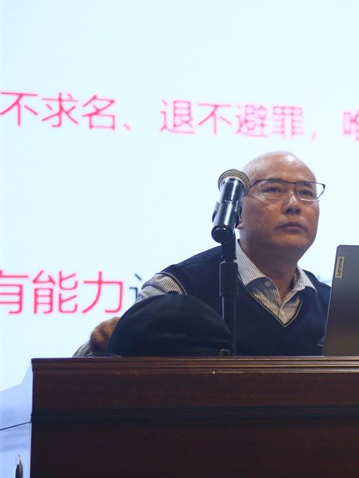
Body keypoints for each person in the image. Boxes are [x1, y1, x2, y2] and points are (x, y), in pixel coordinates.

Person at [75, 151, 330, 356]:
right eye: (273, 190)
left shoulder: (333, 304)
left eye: (306, 193)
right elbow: (103, 361)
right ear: (238, 213)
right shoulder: (178, 287)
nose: (294, 205)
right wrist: (105, 343)